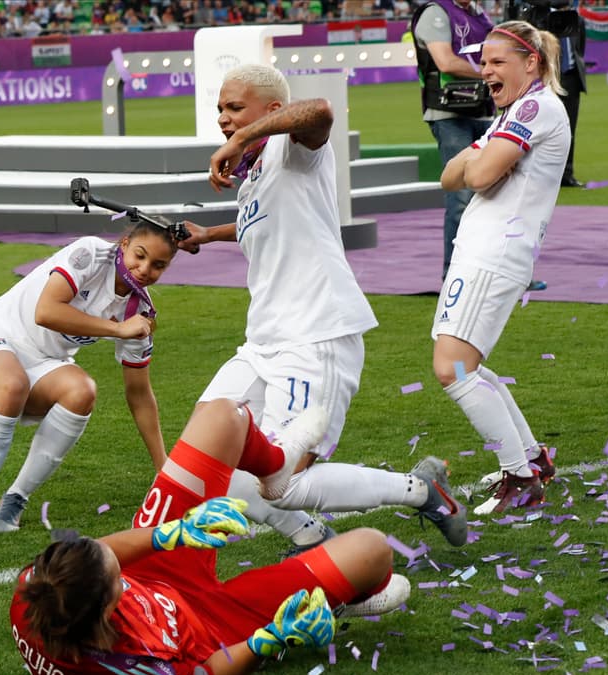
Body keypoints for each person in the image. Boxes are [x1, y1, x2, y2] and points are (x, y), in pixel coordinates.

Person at [178, 65, 470, 554]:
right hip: (263, 343)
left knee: (283, 483)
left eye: (234, 108)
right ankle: (312, 540)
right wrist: (208, 235)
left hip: (317, 337)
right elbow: (268, 224)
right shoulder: (257, 172)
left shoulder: (294, 149)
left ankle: (421, 490)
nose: (224, 120)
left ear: (271, 112)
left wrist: (241, 137)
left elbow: (321, 110)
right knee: (207, 447)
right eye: (221, 111)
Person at [10, 398, 410, 675]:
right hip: (211, 630)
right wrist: (269, 641)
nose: (117, 569)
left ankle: (276, 468)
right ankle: (337, 601)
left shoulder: (41, 582)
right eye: (117, 581)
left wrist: (172, 534)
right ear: (107, 610)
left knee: (223, 415)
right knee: (372, 551)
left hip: (157, 574)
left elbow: (104, 554)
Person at [0, 222, 178, 546]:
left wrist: (162, 467)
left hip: (44, 361)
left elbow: (139, 394)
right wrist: (117, 330)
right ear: (124, 244)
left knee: (82, 391)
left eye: (158, 266)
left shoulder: (140, 311)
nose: (144, 270)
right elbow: (46, 312)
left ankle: (15, 500)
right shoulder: (90, 253)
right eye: (139, 256)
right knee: (12, 384)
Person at [433, 20, 569, 514]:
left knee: (453, 369)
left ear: (531, 62)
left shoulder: (533, 106)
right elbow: (451, 176)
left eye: (496, 62)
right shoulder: (512, 112)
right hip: (483, 251)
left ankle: (521, 478)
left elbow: (481, 173)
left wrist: (482, 162)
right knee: (468, 366)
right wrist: (482, 161)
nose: (485, 71)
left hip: (494, 253)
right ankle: (532, 459)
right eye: (484, 61)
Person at [411, 0, 496, 282]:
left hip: (482, 108)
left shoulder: (477, 13)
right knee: (461, 195)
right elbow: (445, 61)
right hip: (448, 112)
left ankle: (492, 270)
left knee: (493, 194)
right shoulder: (437, 12)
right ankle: (455, 275)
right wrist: (492, 71)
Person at [556, 2, 587, 188]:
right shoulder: (543, 19)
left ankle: (567, 174)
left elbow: (579, 49)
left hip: (572, 78)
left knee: (569, 129)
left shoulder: (578, 20)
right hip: (550, 79)